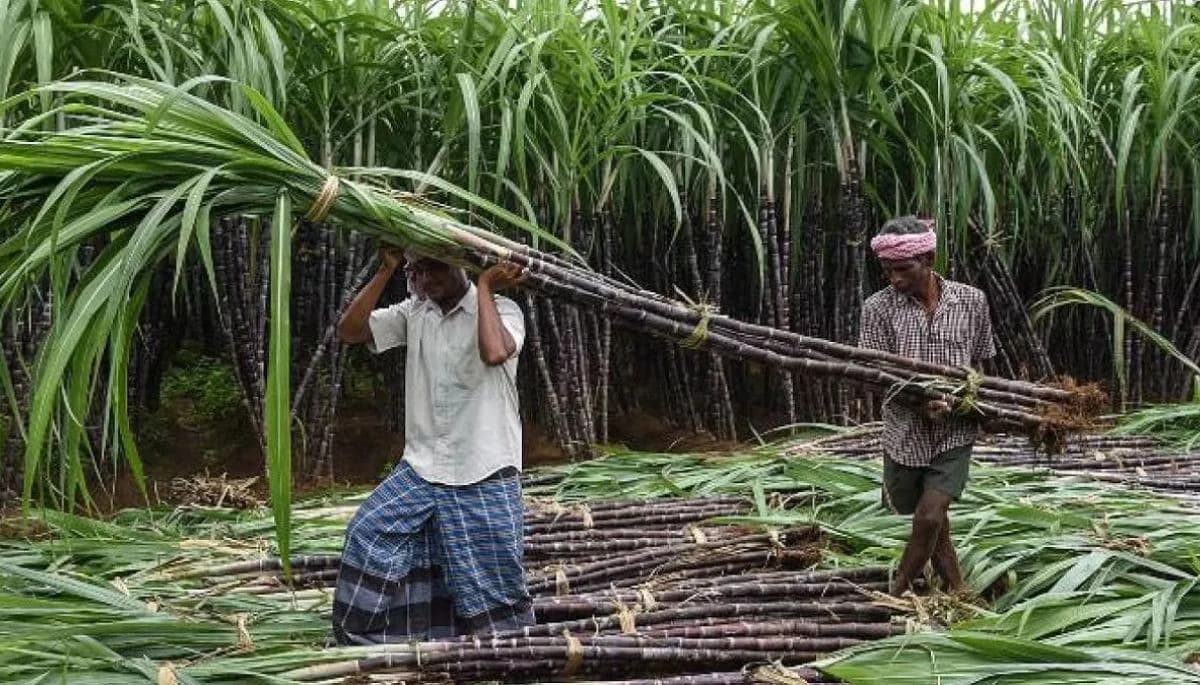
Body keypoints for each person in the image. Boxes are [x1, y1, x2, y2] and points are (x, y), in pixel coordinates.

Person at [331, 247, 532, 644]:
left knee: (492, 579)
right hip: (423, 467)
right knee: (368, 533)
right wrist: (386, 269)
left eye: (435, 267)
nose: (425, 279)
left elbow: (495, 353)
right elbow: (349, 332)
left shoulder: (502, 310)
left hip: (484, 467)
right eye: (416, 271)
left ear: (462, 265)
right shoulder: (415, 313)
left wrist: (488, 285)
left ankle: (509, 654)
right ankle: (375, 644)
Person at [858, 216, 995, 596]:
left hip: (956, 430)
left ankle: (896, 591)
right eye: (887, 271)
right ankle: (958, 588)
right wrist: (921, 403)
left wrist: (970, 401)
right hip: (905, 432)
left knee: (930, 514)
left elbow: (981, 363)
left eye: (904, 269)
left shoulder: (972, 301)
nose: (895, 279)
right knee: (931, 521)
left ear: (930, 258)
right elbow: (877, 374)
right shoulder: (877, 309)